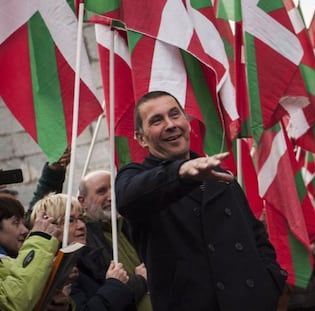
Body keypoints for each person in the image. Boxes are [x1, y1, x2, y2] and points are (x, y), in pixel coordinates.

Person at [115, 90, 288, 311]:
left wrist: (271, 280)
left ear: (187, 121)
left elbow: (255, 235)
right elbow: (128, 198)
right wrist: (181, 173)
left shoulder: (219, 175)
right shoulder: (136, 178)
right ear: (141, 138)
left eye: (175, 115)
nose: (170, 125)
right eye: (157, 120)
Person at [31, 193, 137, 310]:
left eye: (81, 218)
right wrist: (114, 285)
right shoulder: (53, 271)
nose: (81, 226)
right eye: (70, 220)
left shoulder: (89, 259)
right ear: (49, 226)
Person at [78, 170, 152, 311]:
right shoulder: (84, 241)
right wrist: (139, 281)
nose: (111, 196)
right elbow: (105, 295)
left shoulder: (131, 224)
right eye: (101, 192)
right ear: (83, 201)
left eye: (114, 188)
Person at [0, 193, 62, 310]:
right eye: (15, 223)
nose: (25, 230)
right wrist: (40, 240)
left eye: (23, 223)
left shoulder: (9, 260)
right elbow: (12, 303)